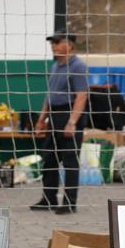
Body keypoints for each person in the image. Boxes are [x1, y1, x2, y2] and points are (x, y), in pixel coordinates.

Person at [32, 32, 89, 215]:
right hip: (55, 116)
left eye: (58, 42)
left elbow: (81, 96)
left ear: (70, 45)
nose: (54, 46)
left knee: (70, 160)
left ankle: (69, 202)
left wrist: (72, 122)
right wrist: (42, 119)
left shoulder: (78, 66)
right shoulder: (56, 65)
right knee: (49, 158)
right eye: (52, 43)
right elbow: (50, 95)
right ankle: (48, 199)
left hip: (70, 115)